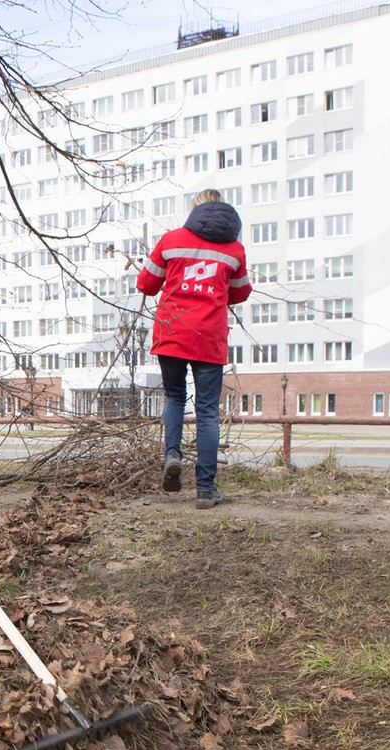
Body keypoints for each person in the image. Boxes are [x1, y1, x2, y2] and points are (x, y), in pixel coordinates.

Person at [137, 188, 251, 509]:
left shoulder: (172, 240)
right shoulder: (234, 249)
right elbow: (240, 293)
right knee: (207, 411)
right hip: (209, 337)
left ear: (193, 211)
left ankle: (173, 455)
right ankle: (205, 488)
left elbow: (146, 283)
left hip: (173, 331)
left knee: (174, 397)